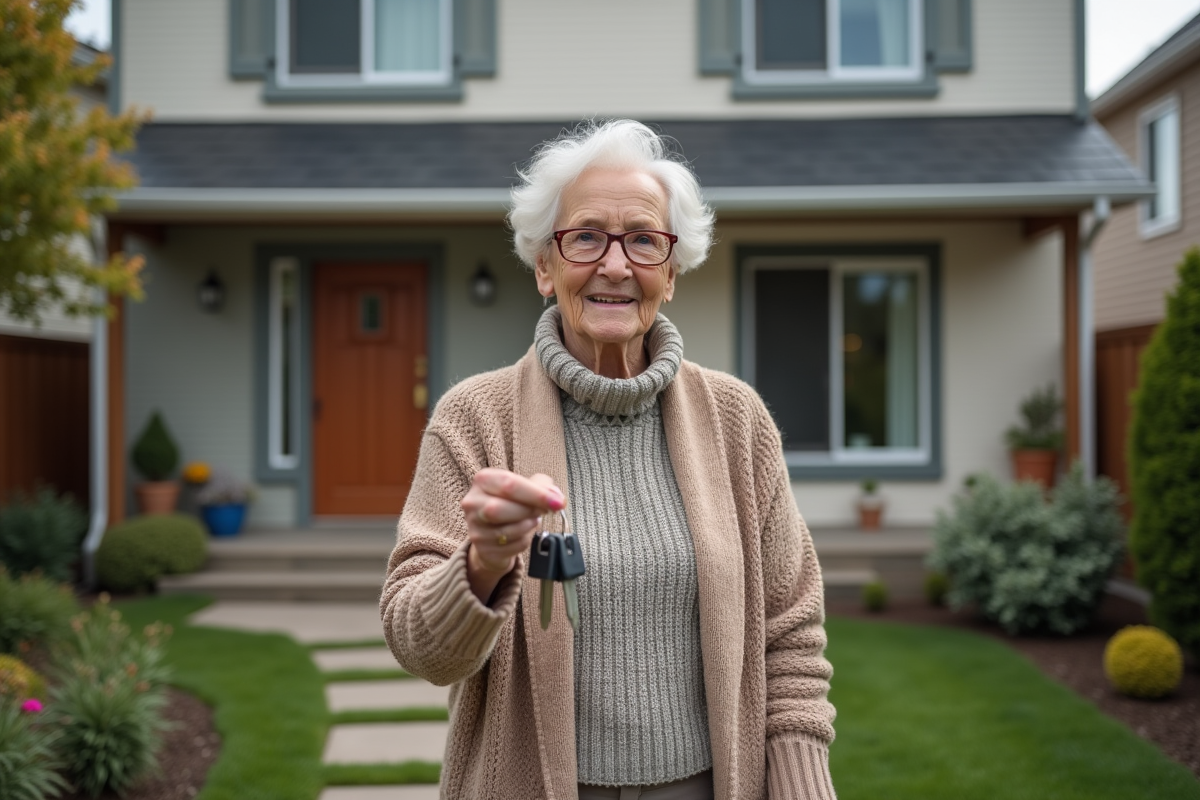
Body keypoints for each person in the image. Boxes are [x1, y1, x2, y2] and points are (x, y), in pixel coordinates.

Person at [381, 119, 836, 799]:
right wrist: (481, 564)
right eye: (586, 236)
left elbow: (791, 631)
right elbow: (421, 649)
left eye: (644, 240)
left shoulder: (737, 422)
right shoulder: (475, 420)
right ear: (545, 266)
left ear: (670, 273)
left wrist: (802, 785)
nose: (616, 266)